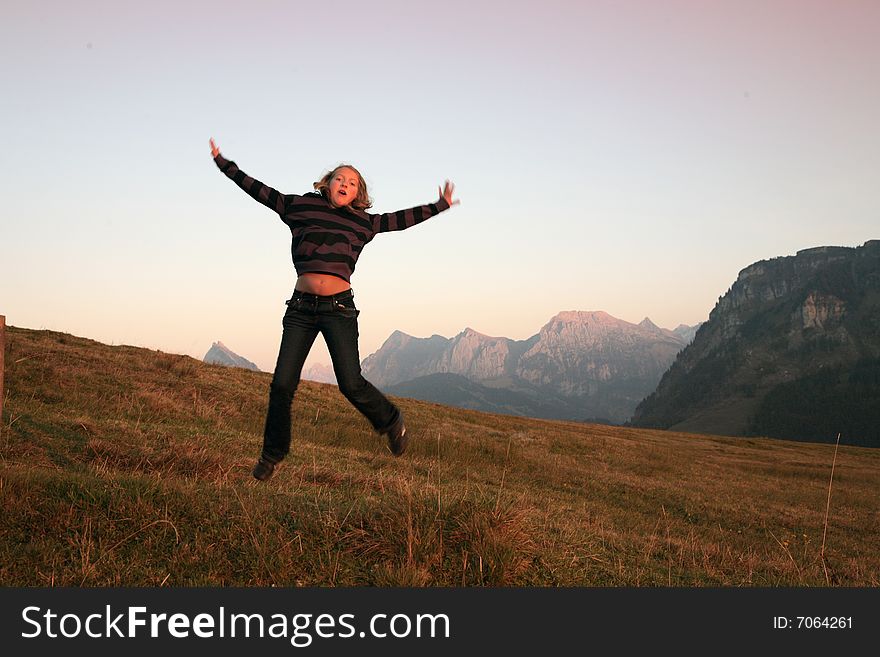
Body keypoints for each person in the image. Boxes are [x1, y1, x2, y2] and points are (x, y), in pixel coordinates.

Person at [209, 138, 458, 481]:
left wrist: (438, 206)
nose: (345, 184)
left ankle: (390, 421)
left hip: (338, 309)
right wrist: (225, 165)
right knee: (282, 384)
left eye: (352, 182)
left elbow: (399, 220)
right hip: (300, 309)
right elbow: (260, 192)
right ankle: (272, 454)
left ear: (358, 194)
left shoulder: (363, 223)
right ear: (327, 183)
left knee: (350, 383)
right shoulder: (298, 207)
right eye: (340, 178)